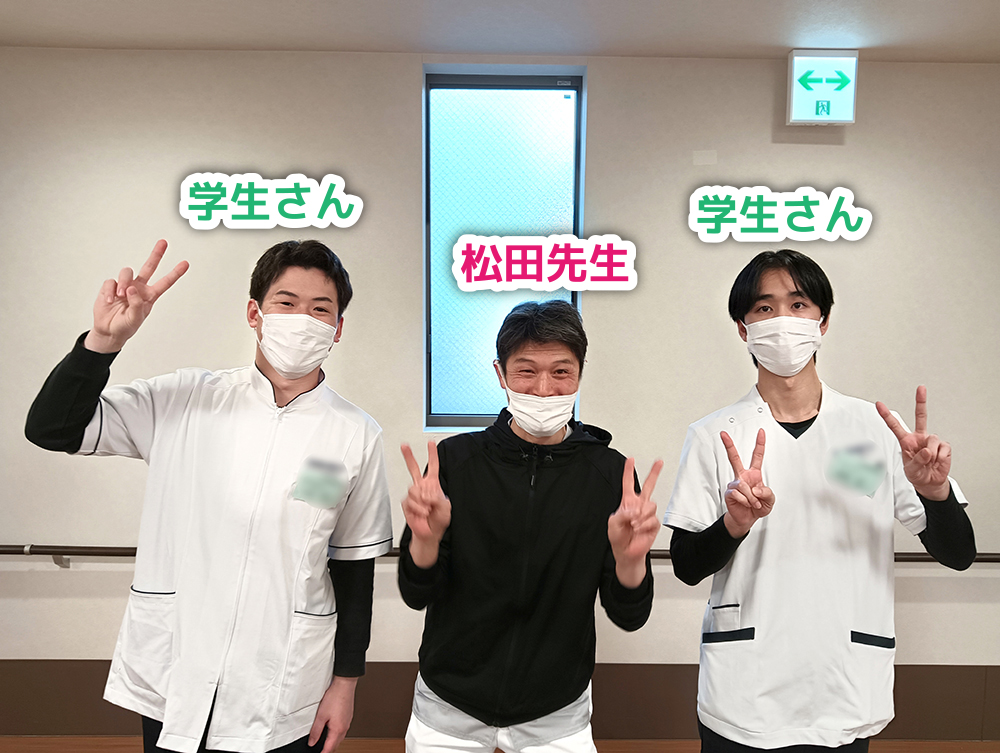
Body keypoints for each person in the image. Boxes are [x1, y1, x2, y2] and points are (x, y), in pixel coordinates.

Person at [25, 239, 393, 753]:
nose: (302, 319)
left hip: (284, 681)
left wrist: (346, 683)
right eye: (286, 303)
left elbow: (353, 569)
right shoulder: (184, 400)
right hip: (178, 667)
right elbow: (51, 428)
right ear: (255, 313)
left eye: (319, 309)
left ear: (338, 327)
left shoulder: (355, 433)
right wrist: (101, 344)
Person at [663, 249, 976, 752]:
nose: (782, 320)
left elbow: (958, 554)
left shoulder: (869, 430)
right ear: (743, 328)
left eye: (798, 304)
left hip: (843, 687)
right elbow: (686, 566)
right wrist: (734, 525)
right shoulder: (716, 434)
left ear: (823, 321)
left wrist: (935, 492)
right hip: (744, 693)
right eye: (764, 308)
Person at [397, 300, 661, 753]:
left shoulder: (610, 475)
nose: (543, 390)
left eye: (561, 372)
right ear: (500, 374)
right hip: (449, 703)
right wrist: (426, 542)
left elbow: (629, 616)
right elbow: (415, 593)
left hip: (556, 711)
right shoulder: (455, 462)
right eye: (526, 371)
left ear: (580, 374)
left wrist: (629, 562)